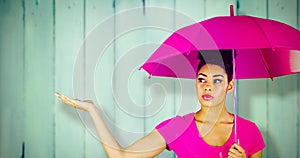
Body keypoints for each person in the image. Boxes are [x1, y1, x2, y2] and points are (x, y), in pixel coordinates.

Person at [55, 50, 265, 158]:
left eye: (217, 81)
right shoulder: (177, 128)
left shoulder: (248, 132)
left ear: (230, 85)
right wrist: (93, 110)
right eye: (202, 79)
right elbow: (121, 156)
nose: (207, 87)